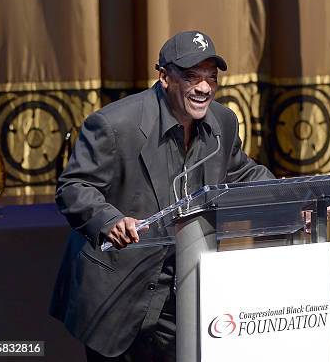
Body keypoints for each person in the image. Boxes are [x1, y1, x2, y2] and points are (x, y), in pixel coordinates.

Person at [50, 30, 274, 361]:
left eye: (211, 78)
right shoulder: (114, 125)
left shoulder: (223, 122)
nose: (204, 88)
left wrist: (293, 196)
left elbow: (241, 171)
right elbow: (73, 187)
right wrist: (110, 220)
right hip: (119, 293)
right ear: (164, 76)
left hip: (182, 290)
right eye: (192, 77)